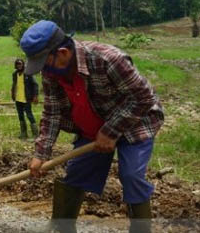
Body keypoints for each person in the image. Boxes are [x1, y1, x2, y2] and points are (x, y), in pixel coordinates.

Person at [21, 20, 163, 233]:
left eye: (45, 63)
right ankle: (61, 228)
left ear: (62, 52)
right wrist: (41, 153)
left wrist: (111, 131)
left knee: (131, 176)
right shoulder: (52, 72)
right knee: (76, 174)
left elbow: (143, 98)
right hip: (92, 128)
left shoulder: (108, 59)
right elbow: (52, 112)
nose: (45, 70)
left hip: (135, 122)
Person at [11, 58, 39, 139]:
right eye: (17, 64)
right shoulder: (15, 74)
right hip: (18, 98)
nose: (19, 65)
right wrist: (13, 94)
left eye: (20, 64)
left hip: (26, 98)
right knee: (20, 116)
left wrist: (35, 95)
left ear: (23, 64)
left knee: (29, 115)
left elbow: (35, 84)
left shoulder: (28, 74)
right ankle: (23, 133)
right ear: (16, 65)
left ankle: (35, 134)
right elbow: (14, 85)